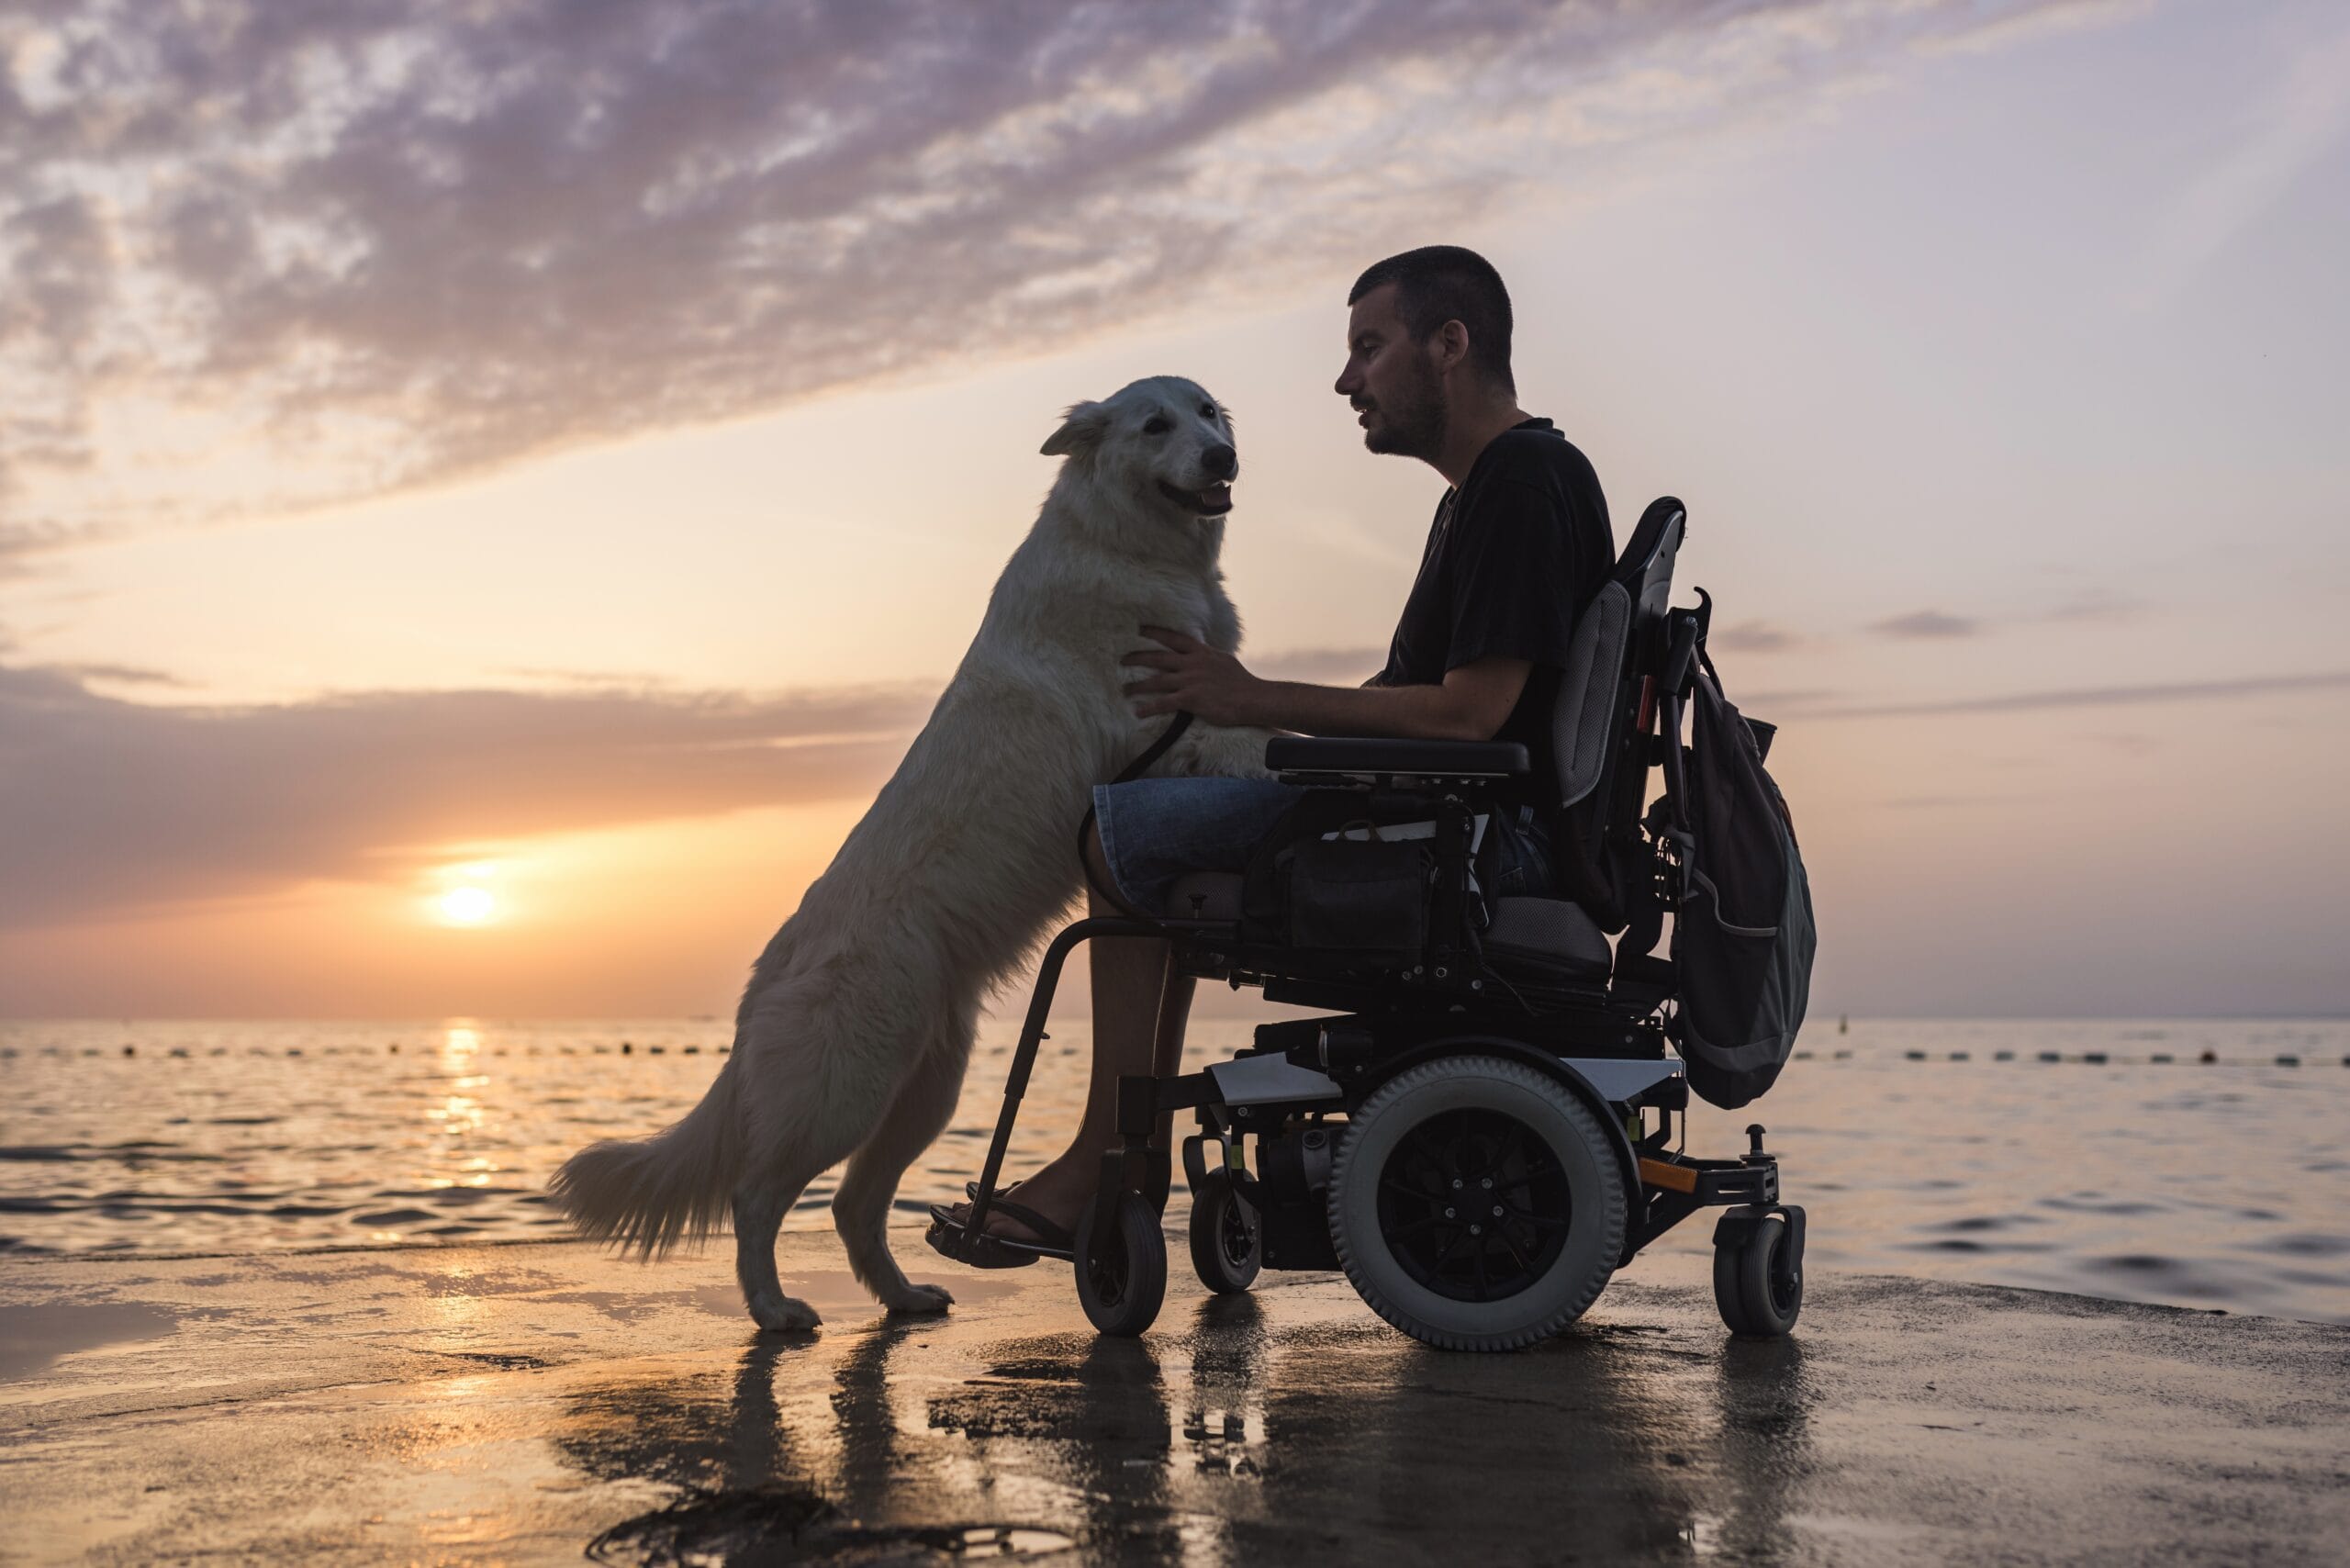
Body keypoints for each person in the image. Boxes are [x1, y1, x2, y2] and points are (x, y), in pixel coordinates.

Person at [959, 245, 1614, 1249]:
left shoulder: (1520, 486)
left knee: (1116, 837)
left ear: (1449, 345)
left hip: (1476, 839)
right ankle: (1125, 1152)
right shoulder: (1495, 488)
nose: (1346, 380)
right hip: (1464, 813)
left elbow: (1469, 717)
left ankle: (1109, 1158)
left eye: (1368, 347)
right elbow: (1436, 707)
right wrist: (1259, 720)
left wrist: (1247, 696)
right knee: (1152, 825)